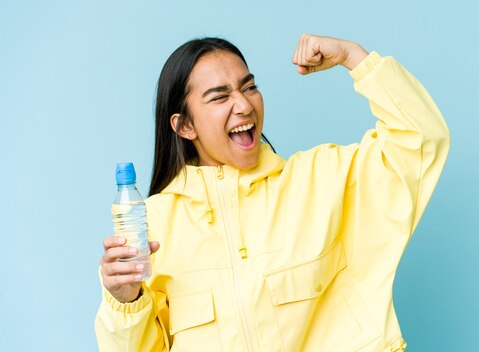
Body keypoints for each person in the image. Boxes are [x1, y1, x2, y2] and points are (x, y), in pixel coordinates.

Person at [95, 33, 450, 351]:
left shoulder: (322, 179)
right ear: (185, 125)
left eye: (248, 87)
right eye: (220, 96)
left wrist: (353, 57)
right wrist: (126, 303)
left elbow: (420, 140)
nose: (244, 105)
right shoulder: (152, 225)